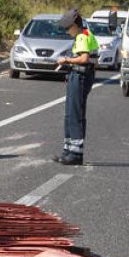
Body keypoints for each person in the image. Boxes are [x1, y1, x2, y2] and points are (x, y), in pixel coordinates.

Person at [54, 8, 98, 165]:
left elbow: (84, 58)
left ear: (75, 25)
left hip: (80, 77)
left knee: (75, 115)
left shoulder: (83, 36)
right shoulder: (83, 35)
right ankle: (68, 150)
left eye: (67, 27)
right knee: (69, 114)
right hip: (77, 76)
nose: (66, 31)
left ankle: (76, 154)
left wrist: (66, 60)